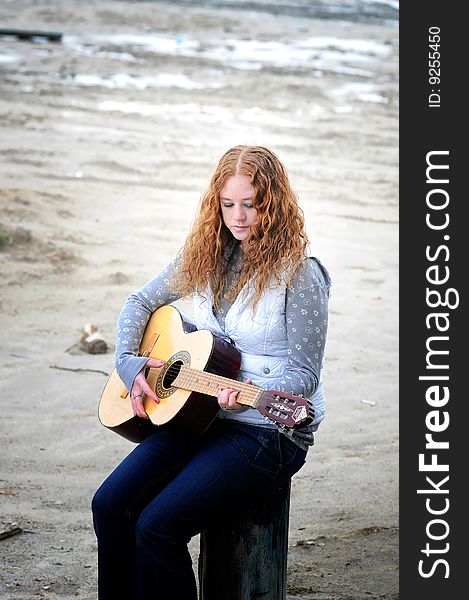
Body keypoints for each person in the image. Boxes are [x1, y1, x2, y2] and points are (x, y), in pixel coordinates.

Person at [92, 145, 331, 600]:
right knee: (110, 505)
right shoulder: (204, 255)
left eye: (252, 204)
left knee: (157, 527)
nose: (238, 217)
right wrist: (128, 362)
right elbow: (138, 303)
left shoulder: (301, 275)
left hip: (267, 430)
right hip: (199, 415)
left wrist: (250, 390)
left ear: (274, 204)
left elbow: (305, 374)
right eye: (228, 204)